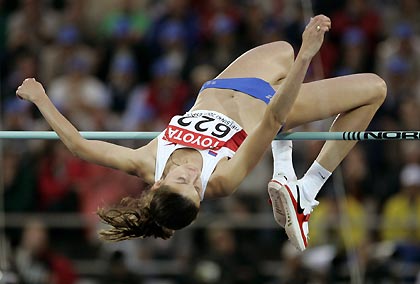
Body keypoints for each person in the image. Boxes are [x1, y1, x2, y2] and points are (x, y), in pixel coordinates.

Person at [16, 15, 387, 251]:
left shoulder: (146, 160)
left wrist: (41, 99)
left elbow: (78, 145)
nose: (195, 179)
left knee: (282, 48)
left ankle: (289, 172)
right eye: (197, 191)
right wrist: (307, 59)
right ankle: (309, 187)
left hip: (229, 83)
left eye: (183, 181)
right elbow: (274, 118)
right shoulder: (221, 180)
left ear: (158, 185)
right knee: (374, 88)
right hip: (271, 105)